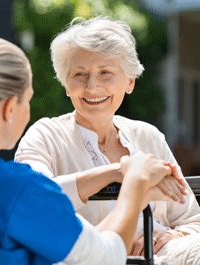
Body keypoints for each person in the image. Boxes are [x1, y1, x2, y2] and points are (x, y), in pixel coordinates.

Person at [0, 34, 183, 265]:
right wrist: (135, 182)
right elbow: (106, 257)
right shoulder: (16, 189)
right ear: (9, 108)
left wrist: (115, 172)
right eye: (29, 99)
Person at [15, 16, 200, 264]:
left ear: (130, 81)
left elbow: (191, 219)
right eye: (79, 74)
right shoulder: (45, 136)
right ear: (66, 84)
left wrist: (165, 237)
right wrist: (120, 172)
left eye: (105, 72)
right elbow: (33, 201)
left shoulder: (148, 136)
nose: (92, 86)